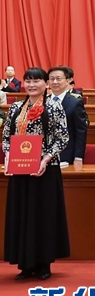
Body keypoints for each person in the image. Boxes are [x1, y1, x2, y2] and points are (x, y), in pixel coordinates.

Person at [3, 68, 70, 280]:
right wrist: (8, 156)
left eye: (36, 81)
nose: (31, 85)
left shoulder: (54, 106)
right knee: (22, 214)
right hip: (19, 169)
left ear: (46, 84)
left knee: (42, 215)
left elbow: (62, 138)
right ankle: (25, 263)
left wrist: (45, 159)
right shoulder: (16, 107)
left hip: (44, 170)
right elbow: (6, 137)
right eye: (28, 81)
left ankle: (43, 264)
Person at [47, 66, 88, 165]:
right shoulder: (43, 102)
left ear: (68, 81)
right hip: (45, 153)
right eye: (52, 79)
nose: (55, 82)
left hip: (66, 153)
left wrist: (78, 156)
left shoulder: (75, 102)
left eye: (58, 79)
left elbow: (80, 131)